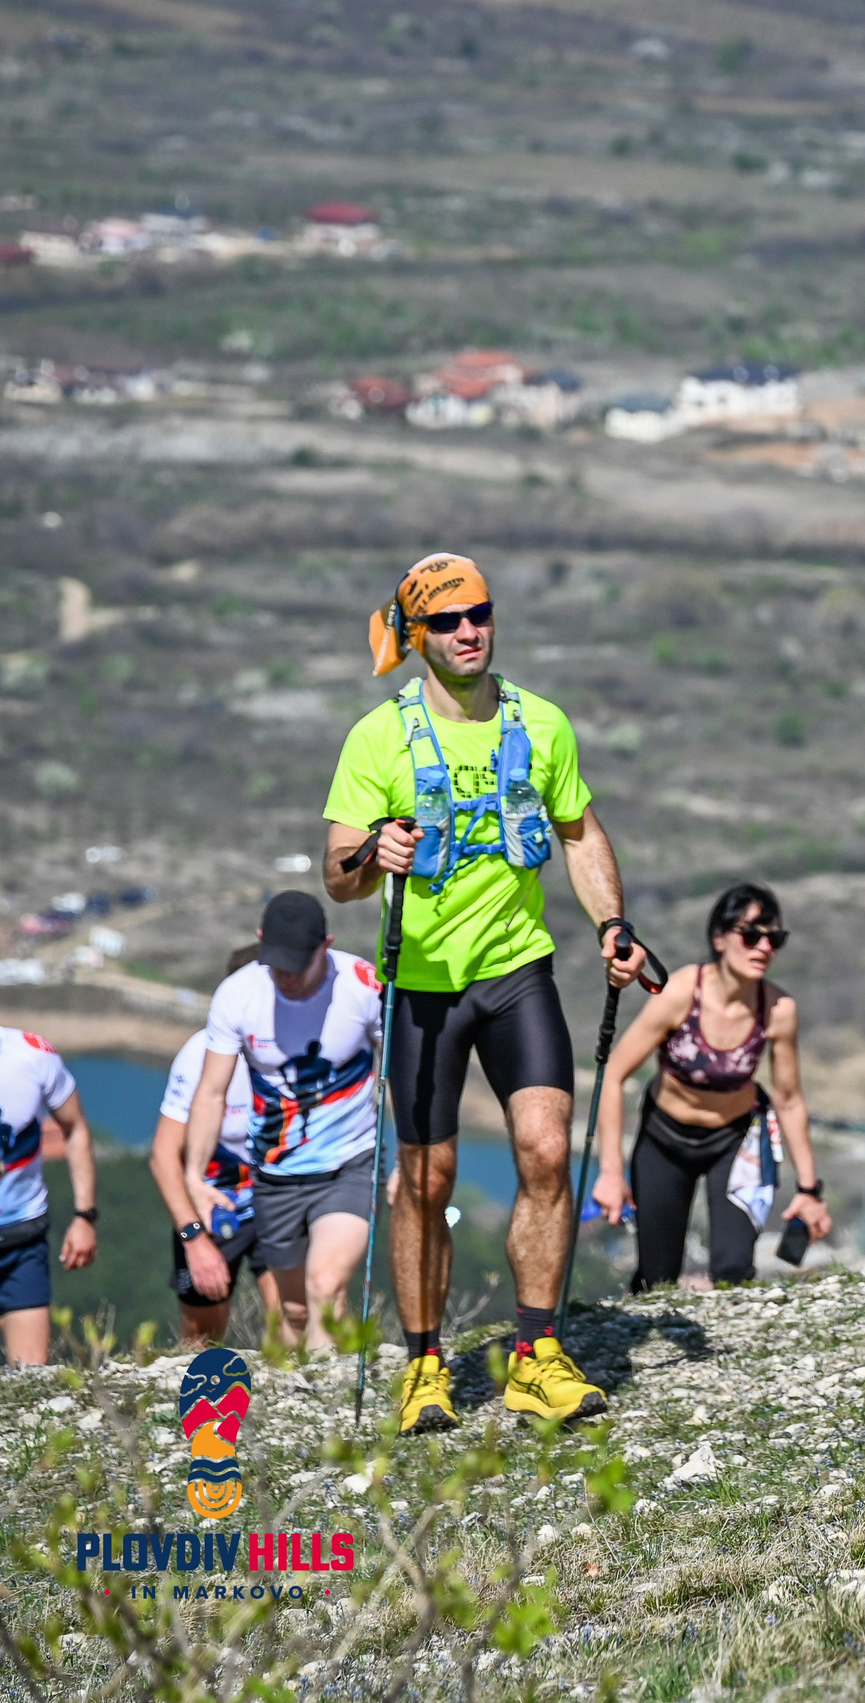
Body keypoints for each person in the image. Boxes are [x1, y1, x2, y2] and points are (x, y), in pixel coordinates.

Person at [320, 552, 647, 1435]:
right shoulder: (376, 738)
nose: (470, 632)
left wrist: (611, 925)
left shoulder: (541, 723)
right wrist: (369, 858)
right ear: (417, 635)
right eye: (449, 622)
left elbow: (578, 832)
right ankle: (426, 1364)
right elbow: (338, 876)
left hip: (516, 971)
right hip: (422, 989)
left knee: (545, 1153)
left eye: (481, 615)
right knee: (426, 1181)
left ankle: (536, 1355)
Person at [591, 883, 831, 1290]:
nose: (763, 948)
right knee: (656, 1277)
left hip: (735, 1143)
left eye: (774, 939)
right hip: (664, 1139)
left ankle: (735, 1350)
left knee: (734, 1271)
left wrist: (809, 1189)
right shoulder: (682, 992)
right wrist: (611, 1173)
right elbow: (614, 1075)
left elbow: (789, 1100)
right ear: (720, 938)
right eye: (751, 935)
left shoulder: (778, 1009)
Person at [184, 893, 385, 1355]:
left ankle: (333, 1413)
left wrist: (413, 1161)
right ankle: (296, 1397)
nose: (288, 977)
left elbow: (403, 1073)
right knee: (293, 1309)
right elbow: (211, 1092)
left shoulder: (362, 985)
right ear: (260, 943)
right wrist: (194, 1177)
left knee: (326, 1285)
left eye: (300, 963)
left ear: (326, 945)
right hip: (275, 1176)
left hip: (350, 1164)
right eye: (278, 964)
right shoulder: (238, 994)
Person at [152, 944, 280, 1347]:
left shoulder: (293, 1045)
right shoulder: (198, 1054)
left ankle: (295, 1402)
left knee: (299, 1320)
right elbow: (162, 1156)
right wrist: (194, 1238)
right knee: (201, 1339)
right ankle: (203, 1407)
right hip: (213, 1205)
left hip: (277, 1199)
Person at [0, 984, 99, 1367]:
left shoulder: (33, 1056)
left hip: (22, 1239)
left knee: (32, 1378)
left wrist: (85, 1216)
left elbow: (75, 1128)